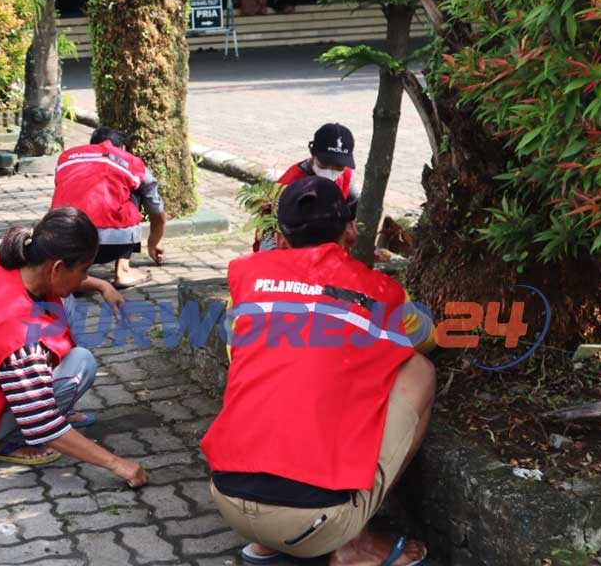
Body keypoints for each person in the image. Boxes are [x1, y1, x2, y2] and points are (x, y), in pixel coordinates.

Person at [202, 177, 434, 566]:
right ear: (350, 230)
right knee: (419, 371)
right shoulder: (381, 292)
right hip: (315, 521)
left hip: (227, 498)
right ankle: (353, 546)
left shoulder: (246, 279)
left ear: (280, 238)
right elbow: (426, 338)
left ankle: (267, 542)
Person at [0, 207, 148, 486]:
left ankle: (37, 403)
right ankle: (3, 441)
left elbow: (62, 282)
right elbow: (42, 423)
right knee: (82, 362)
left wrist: (101, 285)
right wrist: (119, 465)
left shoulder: (7, 261)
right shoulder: (19, 338)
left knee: (65, 300)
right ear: (57, 268)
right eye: (84, 270)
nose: (84, 277)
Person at [50, 128, 166, 289]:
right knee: (135, 190)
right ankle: (123, 270)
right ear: (123, 148)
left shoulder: (67, 157)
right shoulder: (130, 161)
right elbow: (156, 211)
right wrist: (154, 242)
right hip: (112, 245)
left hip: (66, 244)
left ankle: (72, 272)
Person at [258, 122, 360, 252]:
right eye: (324, 164)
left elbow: (357, 207)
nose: (331, 171)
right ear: (313, 154)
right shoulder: (288, 185)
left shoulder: (346, 175)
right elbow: (267, 240)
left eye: (338, 166)